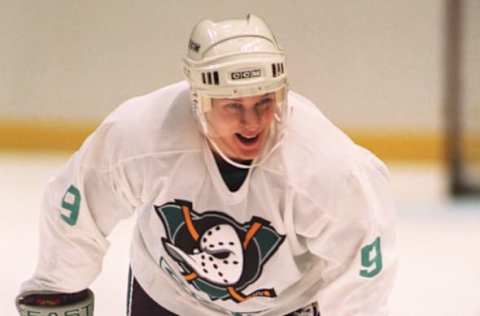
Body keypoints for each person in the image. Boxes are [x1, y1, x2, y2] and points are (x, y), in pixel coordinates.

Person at [16, 14, 397, 316]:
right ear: (199, 100)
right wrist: (58, 287)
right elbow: (78, 204)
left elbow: (362, 272)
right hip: (171, 297)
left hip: (286, 306)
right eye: (233, 105)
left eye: (264, 102)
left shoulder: (327, 167)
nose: (252, 122)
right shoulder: (143, 134)